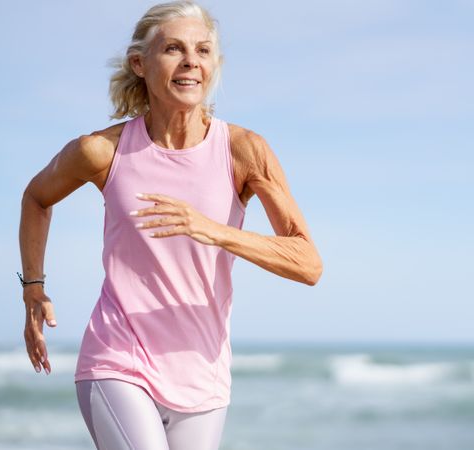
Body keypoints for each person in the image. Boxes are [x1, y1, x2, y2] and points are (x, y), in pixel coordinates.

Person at [17, 1, 323, 449]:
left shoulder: (243, 150)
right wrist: (33, 287)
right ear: (140, 63)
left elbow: (308, 263)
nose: (190, 62)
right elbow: (37, 197)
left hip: (203, 370)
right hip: (118, 358)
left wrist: (213, 229)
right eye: (174, 49)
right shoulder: (101, 152)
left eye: (202, 50)